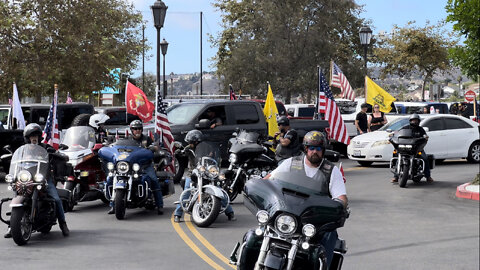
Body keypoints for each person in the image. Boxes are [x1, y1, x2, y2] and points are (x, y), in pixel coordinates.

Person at [264, 130, 347, 268]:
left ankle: (323, 266)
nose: (315, 152)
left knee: (329, 235)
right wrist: (261, 187)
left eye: (319, 148)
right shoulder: (291, 163)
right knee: (258, 233)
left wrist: (338, 206)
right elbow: (269, 180)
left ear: (323, 150)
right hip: (288, 214)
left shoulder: (331, 171)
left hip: (313, 220)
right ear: (306, 149)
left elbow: (341, 197)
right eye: (312, 148)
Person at [5, 123, 69, 238]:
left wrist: (57, 154)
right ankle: (12, 226)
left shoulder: (45, 148)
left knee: (56, 199)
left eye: (36, 135)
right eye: (31, 136)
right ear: (27, 138)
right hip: (27, 178)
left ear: (40, 137)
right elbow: (17, 159)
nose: (34, 138)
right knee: (16, 194)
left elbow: (56, 154)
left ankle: (63, 223)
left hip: (43, 178)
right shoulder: (23, 150)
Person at [173, 129, 235, 223]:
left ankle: (230, 213)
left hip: (207, 171)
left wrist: (215, 154)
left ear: (197, 141)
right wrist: (178, 152)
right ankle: (177, 214)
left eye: (191, 142)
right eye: (189, 142)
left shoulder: (208, 147)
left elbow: (214, 154)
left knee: (219, 190)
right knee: (187, 191)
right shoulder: (188, 149)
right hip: (193, 172)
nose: (190, 143)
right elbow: (182, 152)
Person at [106, 120, 164, 215]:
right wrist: (110, 146)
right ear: (131, 130)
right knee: (111, 178)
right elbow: (118, 148)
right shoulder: (127, 140)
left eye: (139, 128)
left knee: (154, 180)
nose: (137, 130)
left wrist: (154, 147)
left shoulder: (147, 139)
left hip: (145, 165)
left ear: (142, 129)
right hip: (129, 166)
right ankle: (113, 205)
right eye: (135, 129)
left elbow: (155, 147)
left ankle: (160, 205)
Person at [391, 114, 434, 183]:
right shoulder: (405, 128)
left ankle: (428, 176)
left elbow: (425, 136)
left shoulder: (420, 129)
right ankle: (395, 176)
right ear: (410, 121)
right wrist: (393, 135)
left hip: (416, 149)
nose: (414, 122)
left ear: (418, 121)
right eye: (413, 120)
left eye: (416, 120)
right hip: (405, 148)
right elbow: (398, 133)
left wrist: (425, 137)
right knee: (398, 157)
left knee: (425, 158)